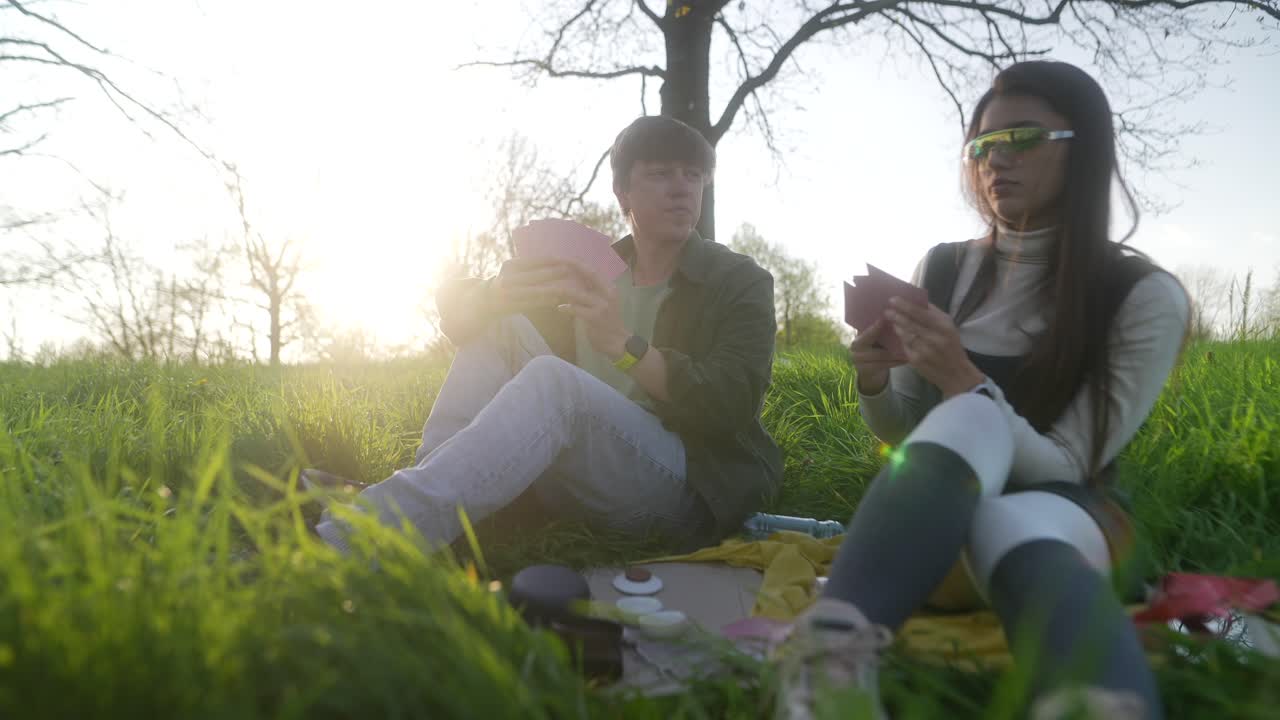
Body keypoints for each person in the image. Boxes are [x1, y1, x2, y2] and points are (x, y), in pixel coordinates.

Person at [775, 61, 1189, 720]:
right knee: (970, 426)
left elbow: (1069, 464)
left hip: (1071, 521)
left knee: (1005, 497)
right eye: (983, 145)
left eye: (1022, 139)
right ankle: (827, 674)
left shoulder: (1141, 295)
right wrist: (875, 379)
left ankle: (1100, 705)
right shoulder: (943, 267)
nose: (996, 160)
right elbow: (911, 441)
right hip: (935, 530)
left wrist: (962, 377)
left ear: (1082, 151)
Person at [308, 115, 783, 555]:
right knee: (503, 327)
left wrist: (624, 346)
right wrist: (495, 293)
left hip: (683, 486)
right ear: (622, 193)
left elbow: (730, 405)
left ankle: (349, 541)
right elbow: (459, 319)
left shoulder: (739, 281)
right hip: (579, 472)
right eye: (661, 174)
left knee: (556, 382)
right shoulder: (587, 268)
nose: (682, 190)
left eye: (693, 175)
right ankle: (432, 511)